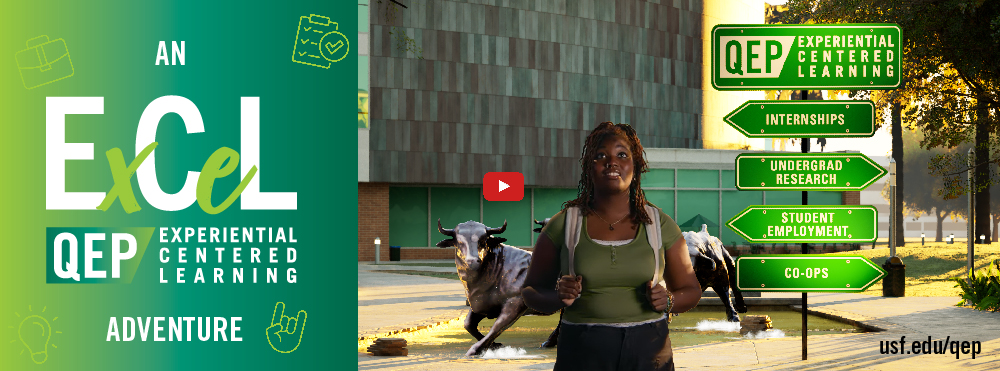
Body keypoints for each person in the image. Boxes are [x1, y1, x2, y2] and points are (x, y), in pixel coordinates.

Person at [521, 122, 701, 371]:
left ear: (636, 166)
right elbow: (530, 291)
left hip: (649, 352)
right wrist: (558, 298)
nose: (611, 162)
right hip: (582, 352)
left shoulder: (660, 225)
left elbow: (691, 290)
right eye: (600, 155)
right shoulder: (564, 223)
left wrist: (669, 301)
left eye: (622, 155)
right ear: (589, 167)